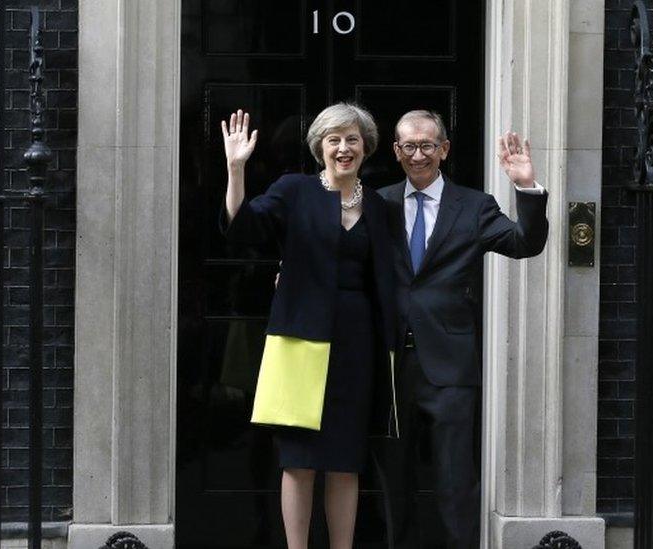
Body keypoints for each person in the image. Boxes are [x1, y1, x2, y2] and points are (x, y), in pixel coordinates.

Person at [220, 104, 399, 549]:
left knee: (345, 459)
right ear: (320, 146)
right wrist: (235, 170)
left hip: (357, 343)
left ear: (366, 147)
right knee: (298, 459)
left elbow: (392, 277)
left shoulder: (378, 206)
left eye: (352, 139)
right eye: (334, 139)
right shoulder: (295, 190)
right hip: (300, 338)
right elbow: (243, 228)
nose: (344, 147)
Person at [374, 110, 549, 548]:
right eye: (409, 146)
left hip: (450, 367)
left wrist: (525, 186)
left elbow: (525, 243)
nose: (419, 155)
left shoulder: (474, 206)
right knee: (393, 482)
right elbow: (345, 256)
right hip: (389, 363)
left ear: (444, 149)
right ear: (396, 151)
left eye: (428, 145)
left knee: (455, 480)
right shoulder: (378, 203)